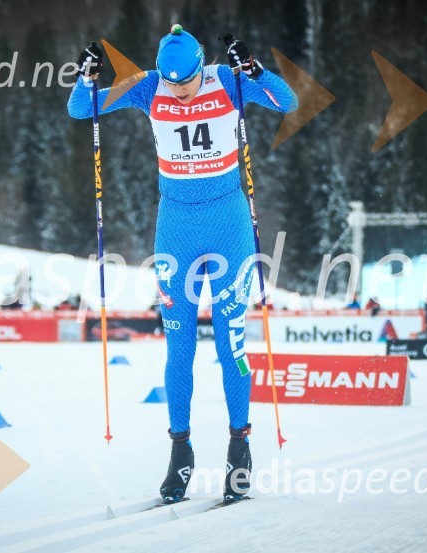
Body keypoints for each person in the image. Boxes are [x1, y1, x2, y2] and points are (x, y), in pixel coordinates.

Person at [68, 25, 297, 504]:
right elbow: (80, 108)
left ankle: (239, 447)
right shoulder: (149, 85)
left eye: (186, 83)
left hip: (228, 224)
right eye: (172, 85)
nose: (180, 92)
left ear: (200, 68)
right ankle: (180, 451)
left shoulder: (225, 79)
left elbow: (287, 102)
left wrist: (254, 70)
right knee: (180, 349)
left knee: (231, 344)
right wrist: (85, 78)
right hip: (175, 228)